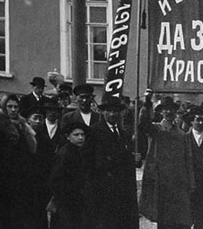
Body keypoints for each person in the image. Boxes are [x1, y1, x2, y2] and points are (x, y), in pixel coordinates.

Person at [83, 93, 139, 229]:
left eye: (116, 111)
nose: (113, 114)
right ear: (103, 112)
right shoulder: (94, 132)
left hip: (121, 190)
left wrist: (134, 159)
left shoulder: (123, 133)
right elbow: (89, 162)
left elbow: (125, 161)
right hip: (103, 190)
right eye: (109, 111)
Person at [139, 93, 193, 229]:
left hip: (179, 182)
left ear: (176, 112)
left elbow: (188, 159)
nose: (169, 112)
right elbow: (143, 123)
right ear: (161, 112)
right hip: (161, 181)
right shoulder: (156, 129)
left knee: (181, 220)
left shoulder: (182, 134)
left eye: (171, 109)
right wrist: (147, 102)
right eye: (165, 109)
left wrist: (191, 181)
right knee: (164, 221)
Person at [0, 94, 40, 229]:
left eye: (16, 107)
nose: (13, 110)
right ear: (4, 107)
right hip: (3, 175)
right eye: (9, 106)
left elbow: (28, 150)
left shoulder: (22, 125)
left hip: (20, 176)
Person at [49, 122, 89, 229]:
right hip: (66, 201)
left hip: (76, 199)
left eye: (82, 134)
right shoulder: (65, 154)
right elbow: (56, 179)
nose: (80, 138)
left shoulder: (77, 152)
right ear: (68, 137)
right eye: (76, 135)